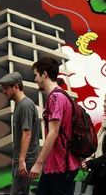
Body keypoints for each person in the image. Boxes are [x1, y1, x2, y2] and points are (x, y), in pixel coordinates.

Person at [29, 57, 80, 195]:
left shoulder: (55, 98)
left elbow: (53, 132)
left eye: (36, 75)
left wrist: (39, 164)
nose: (35, 80)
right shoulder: (63, 96)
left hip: (59, 167)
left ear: (44, 74)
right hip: (61, 165)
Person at [0, 72, 40, 195]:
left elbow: (27, 134)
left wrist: (21, 161)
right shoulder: (20, 105)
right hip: (22, 160)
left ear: (15, 87)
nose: (3, 91)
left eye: (6, 88)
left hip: (25, 161)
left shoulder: (25, 105)